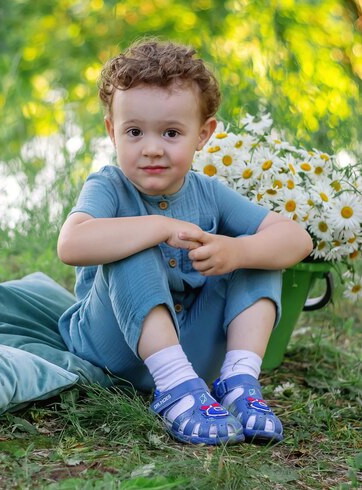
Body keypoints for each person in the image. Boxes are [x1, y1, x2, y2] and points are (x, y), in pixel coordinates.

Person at [57, 38, 313, 445]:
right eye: (135, 132)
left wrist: (237, 251)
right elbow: (71, 244)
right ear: (112, 131)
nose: (152, 148)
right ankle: (174, 386)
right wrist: (157, 225)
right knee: (132, 243)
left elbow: (296, 238)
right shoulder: (109, 185)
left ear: (203, 134)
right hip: (110, 348)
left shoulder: (208, 192)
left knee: (257, 250)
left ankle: (238, 381)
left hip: (189, 349)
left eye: (172, 132)